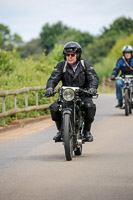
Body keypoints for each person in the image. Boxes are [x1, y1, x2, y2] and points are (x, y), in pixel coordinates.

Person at [45, 41, 99, 142]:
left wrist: (92, 88)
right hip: (66, 96)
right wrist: (49, 88)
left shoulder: (85, 64)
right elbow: (53, 78)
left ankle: (87, 131)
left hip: (83, 94)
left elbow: (93, 77)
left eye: (72, 55)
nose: (69, 57)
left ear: (78, 55)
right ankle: (61, 131)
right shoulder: (62, 66)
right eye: (67, 55)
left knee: (89, 106)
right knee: (54, 108)